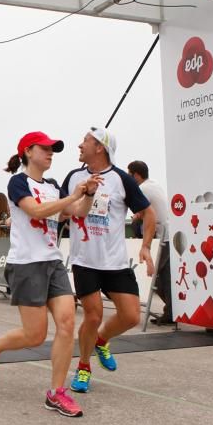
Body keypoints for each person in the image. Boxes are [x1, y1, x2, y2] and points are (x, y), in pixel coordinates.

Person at [0, 132, 100, 418]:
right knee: (35, 335)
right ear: (28, 151)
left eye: (52, 149)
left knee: (67, 324)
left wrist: (89, 194)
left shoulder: (54, 186)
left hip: (53, 261)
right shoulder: (18, 182)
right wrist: (73, 194)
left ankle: (56, 393)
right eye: (44, 148)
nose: (50, 153)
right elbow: (36, 212)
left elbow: (77, 211)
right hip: (26, 263)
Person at [63, 127, 156, 394]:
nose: (80, 145)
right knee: (93, 314)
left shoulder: (121, 179)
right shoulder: (73, 177)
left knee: (130, 316)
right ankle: (83, 367)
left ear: (100, 147)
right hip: (84, 259)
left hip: (114, 261)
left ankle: (102, 340)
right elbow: (59, 211)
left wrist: (146, 247)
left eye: (86, 141)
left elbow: (148, 214)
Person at [127, 160, 172, 325]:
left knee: (154, 278)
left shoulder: (143, 189)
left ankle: (171, 312)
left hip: (160, 238)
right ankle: (172, 312)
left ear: (136, 175)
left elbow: (140, 212)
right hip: (168, 235)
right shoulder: (155, 185)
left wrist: (135, 217)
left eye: (130, 174)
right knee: (166, 277)